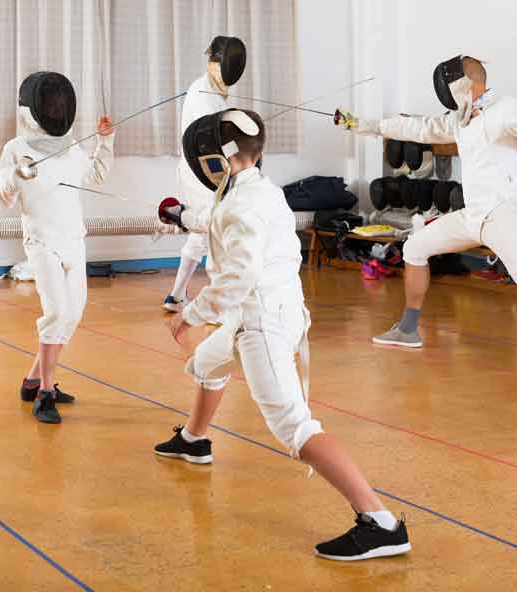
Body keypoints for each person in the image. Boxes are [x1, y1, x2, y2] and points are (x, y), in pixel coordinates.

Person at [154, 108, 411, 560]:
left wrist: (190, 313)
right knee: (206, 363)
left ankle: (381, 522)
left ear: (218, 158)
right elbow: (218, 219)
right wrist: (181, 217)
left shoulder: (242, 203)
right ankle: (195, 440)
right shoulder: (254, 189)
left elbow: (236, 276)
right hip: (276, 309)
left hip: (261, 323)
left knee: (295, 427)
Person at [338, 55, 517, 375]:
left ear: (469, 85)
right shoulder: (461, 119)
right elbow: (418, 127)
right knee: (415, 247)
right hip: (473, 217)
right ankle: (407, 328)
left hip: (504, 217)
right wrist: (362, 125)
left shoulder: (506, 109)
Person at [0, 71, 114, 423]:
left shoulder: (71, 146)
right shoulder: (15, 150)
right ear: (33, 109)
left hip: (73, 240)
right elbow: (2, 199)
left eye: (58, 102)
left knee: (72, 315)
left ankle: (32, 381)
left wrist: (105, 142)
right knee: (57, 313)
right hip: (42, 243)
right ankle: (45, 393)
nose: (55, 107)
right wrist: (16, 176)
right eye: (49, 103)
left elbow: (94, 176)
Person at [162, 36, 246, 312]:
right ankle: (219, 306)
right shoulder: (202, 93)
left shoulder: (215, 93)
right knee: (216, 230)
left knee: (202, 233)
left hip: (207, 170)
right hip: (202, 172)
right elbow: (216, 138)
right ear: (215, 62)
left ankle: (176, 296)